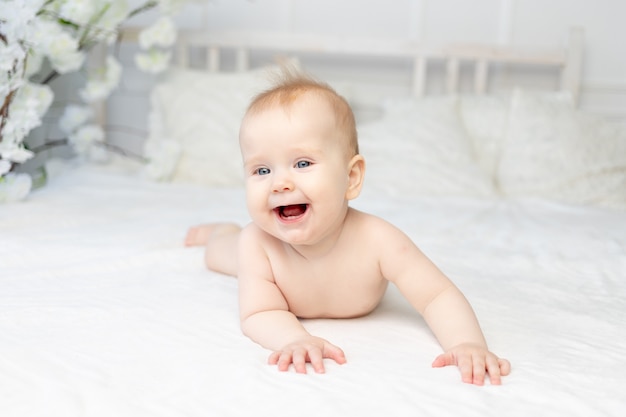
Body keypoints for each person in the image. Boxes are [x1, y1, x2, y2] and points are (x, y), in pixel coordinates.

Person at [185, 72, 511, 385]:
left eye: (302, 163)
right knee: (219, 252)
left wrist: (467, 343)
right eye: (261, 169)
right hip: (241, 248)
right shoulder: (257, 243)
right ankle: (218, 231)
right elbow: (259, 312)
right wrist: (296, 339)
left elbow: (437, 295)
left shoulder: (380, 240)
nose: (279, 183)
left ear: (351, 178)